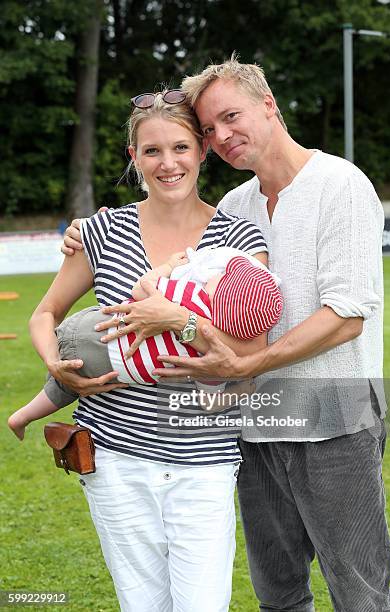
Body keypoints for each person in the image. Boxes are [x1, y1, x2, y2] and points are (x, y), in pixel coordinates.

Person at [62, 58, 390, 611]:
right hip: (253, 424)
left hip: (333, 421)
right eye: (211, 128)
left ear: (269, 104)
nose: (221, 136)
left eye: (231, 116)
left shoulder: (339, 184)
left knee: (362, 596)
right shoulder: (235, 207)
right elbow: (174, 248)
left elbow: (347, 314)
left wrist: (247, 366)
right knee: (278, 596)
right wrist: (91, 229)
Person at [27, 88, 272, 612]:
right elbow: (44, 314)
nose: (169, 163)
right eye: (153, 150)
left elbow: (251, 348)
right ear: (133, 157)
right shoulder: (101, 232)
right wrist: (57, 367)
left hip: (204, 457)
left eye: (181, 148)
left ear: (202, 151)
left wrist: (179, 320)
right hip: (114, 459)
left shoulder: (239, 237)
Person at [8, 247, 282, 440]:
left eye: (221, 278)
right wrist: (243, 389)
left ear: (220, 290)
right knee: (67, 386)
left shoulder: (189, 296)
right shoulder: (213, 353)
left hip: (93, 329)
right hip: (110, 367)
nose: (216, 275)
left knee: (67, 372)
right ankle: (23, 416)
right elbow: (210, 401)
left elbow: (142, 287)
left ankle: (22, 415)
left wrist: (170, 266)